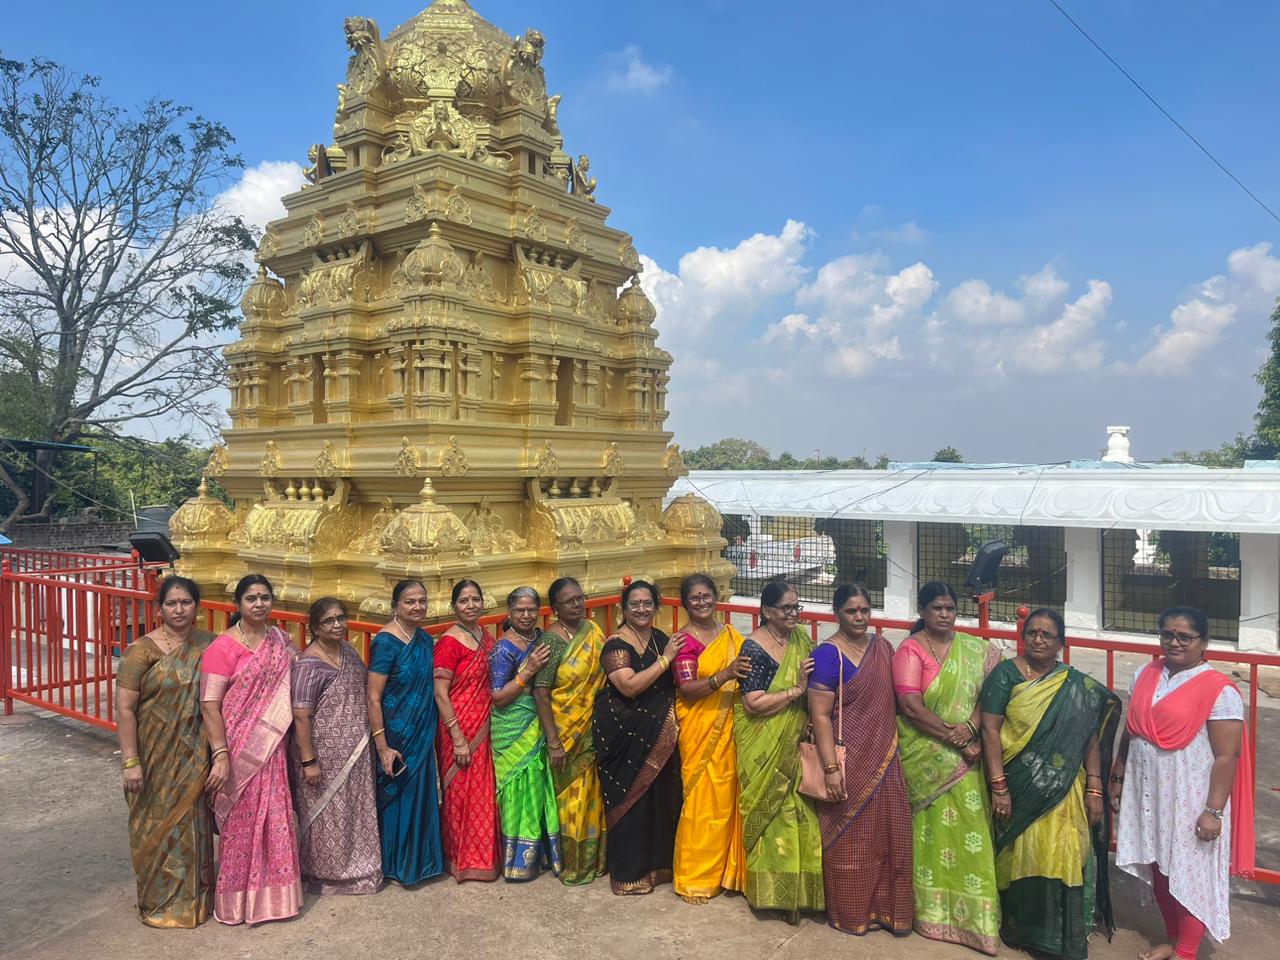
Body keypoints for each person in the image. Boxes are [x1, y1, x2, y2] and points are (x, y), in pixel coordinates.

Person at [1112, 607, 1255, 960]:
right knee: (1158, 866)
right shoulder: (1145, 674)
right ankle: (1173, 938)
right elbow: (1133, 732)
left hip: (1190, 796)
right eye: (1167, 635)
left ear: (1203, 642)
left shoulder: (1219, 691)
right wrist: (1118, 774)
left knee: (1190, 872)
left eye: (1184, 637)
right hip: (1147, 791)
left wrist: (1213, 811)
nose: (1174, 642)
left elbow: (1226, 756)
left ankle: (1187, 952)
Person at [979, 608, 1120, 959]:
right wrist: (998, 786)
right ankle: (1024, 928)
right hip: (1019, 782)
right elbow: (990, 730)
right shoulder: (1005, 675)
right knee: (1023, 855)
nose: (1038, 640)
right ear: (1023, 637)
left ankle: (1063, 933)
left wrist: (1095, 788)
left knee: (1065, 851)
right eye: (1032, 633)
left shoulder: (1075, 684)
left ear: (1061, 642)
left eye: (1047, 635)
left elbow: (1087, 737)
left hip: (1065, 787)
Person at [893, 580, 1000, 954]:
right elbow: (910, 706)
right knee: (927, 836)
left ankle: (977, 922)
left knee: (972, 831)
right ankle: (930, 914)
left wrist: (970, 728)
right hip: (927, 758)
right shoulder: (910, 650)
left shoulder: (974, 650)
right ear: (922, 612)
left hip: (967, 758)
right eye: (936, 608)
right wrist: (951, 737)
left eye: (949, 608)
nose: (944, 614)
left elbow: (990, 694)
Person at [808, 583, 913, 936]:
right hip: (848, 762)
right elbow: (820, 716)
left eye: (865, 610)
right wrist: (831, 769)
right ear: (836, 614)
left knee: (890, 840)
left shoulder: (882, 647)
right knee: (850, 844)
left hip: (885, 758)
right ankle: (851, 914)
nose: (859, 617)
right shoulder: (828, 655)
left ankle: (889, 912)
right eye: (852, 611)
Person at [199, 574, 301, 925]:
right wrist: (221, 753)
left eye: (265, 597)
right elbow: (210, 705)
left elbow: (296, 685)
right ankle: (235, 903)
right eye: (251, 598)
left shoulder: (282, 641)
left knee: (275, 818)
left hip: (273, 749)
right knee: (240, 824)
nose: (259, 604)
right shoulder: (223, 647)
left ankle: (276, 898)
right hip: (240, 747)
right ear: (238, 604)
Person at [115, 576, 216, 927]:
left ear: (196, 607)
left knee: (193, 825)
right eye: (171, 603)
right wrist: (131, 762)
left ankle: (196, 903)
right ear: (160, 609)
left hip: (195, 758)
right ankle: (158, 903)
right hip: (153, 756)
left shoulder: (210, 645)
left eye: (185, 602)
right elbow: (126, 709)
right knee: (152, 826)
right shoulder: (140, 651)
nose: (179, 610)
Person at [734, 580, 824, 922]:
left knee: (803, 815)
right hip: (763, 744)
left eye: (796, 607)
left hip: (798, 741)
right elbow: (753, 704)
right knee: (775, 819)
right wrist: (796, 690)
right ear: (767, 612)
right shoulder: (753, 649)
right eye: (787, 608)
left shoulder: (802, 640)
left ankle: (803, 895)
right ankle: (773, 895)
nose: (794, 614)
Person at [592, 579, 684, 895]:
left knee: (659, 801)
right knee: (630, 803)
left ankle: (658, 869)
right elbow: (629, 686)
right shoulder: (616, 645)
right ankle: (628, 875)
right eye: (635, 604)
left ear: (656, 606)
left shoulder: (660, 639)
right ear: (624, 608)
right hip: (623, 736)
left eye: (647, 603)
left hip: (658, 735)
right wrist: (665, 660)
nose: (642, 609)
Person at [289, 597, 382, 895]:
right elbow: (302, 716)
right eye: (329, 621)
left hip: (355, 752)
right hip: (322, 756)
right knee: (326, 815)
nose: (337, 625)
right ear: (315, 627)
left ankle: (361, 869)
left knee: (355, 812)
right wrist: (309, 761)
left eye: (341, 618)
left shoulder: (348, 652)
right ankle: (325, 875)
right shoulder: (308, 664)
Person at [671, 573, 749, 903]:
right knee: (703, 802)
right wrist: (725, 674)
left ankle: (727, 873)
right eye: (695, 598)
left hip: (732, 725)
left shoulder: (731, 636)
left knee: (730, 800)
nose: (702, 602)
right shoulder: (684, 643)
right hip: (700, 728)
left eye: (707, 596)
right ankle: (695, 877)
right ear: (686, 603)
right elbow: (687, 691)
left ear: (716, 597)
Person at [532, 576, 609, 884]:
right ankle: (571, 863)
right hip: (565, 734)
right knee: (571, 799)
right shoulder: (552, 640)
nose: (577, 605)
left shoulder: (594, 632)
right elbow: (540, 690)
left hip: (594, 728)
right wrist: (553, 742)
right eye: (568, 601)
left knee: (593, 797)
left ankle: (595, 861)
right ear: (555, 609)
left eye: (579, 598)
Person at [367, 579, 444, 885]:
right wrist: (382, 745)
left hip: (422, 728)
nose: (417, 607)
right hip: (396, 730)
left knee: (422, 793)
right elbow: (373, 696)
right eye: (410, 602)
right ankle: (396, 865)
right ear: (395, 606)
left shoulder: (425, 639)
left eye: (422, 601)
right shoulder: (386, 641)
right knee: (398, 795)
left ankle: (423, 863)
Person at [489, 586, 560, 881]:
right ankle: (516, 860)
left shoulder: (542, 639)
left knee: (538, 786)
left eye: (532, 610)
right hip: (511, 727)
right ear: (509, 613)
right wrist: (527, 672)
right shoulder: (503, 649)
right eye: (520, 610)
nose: (527, 615)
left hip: (538, 722)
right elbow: (498, 696)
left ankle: (540, 854)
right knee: (517, 788)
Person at [434, 579, 500, 882]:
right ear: (453, 607)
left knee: (483, 794)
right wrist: (458, 737)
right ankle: (460, 858)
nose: (471, 605)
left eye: (476, 599)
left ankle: (483, 858)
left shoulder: (486, 636)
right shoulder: (449, 642)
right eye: (463, 601)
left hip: (485, 726)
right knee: (460, 795)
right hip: (458, 729)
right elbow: (440, 693)